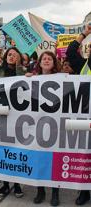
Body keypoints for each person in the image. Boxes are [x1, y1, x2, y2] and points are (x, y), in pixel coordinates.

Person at [0, 28, 25, 198]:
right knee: (3, 150)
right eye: (9, 53)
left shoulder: (21, 72)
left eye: (15, 54)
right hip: (1, 115)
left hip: (19, 117)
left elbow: (24, 86)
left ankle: (17, 184)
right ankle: (5, 184)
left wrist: (19, 67)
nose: (11, 55)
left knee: (16, 150)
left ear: (19, 58)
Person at [26, 51, 61, 206]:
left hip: (55, 126)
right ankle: (40, 191)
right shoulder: (32, 79)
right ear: (39, 63)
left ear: (54, 62)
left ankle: (55, 192)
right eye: (43, 59)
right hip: (38, 125)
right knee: (39, 158)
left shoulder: (62, 79)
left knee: (55, 159)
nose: (46, 61)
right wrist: (25, 80)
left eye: (49, 59)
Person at [66, 22, 91, 206]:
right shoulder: (83, 65)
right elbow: (70, 52)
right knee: (84, 155)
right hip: (85, 119)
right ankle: (84, 192)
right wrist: (84, 33)